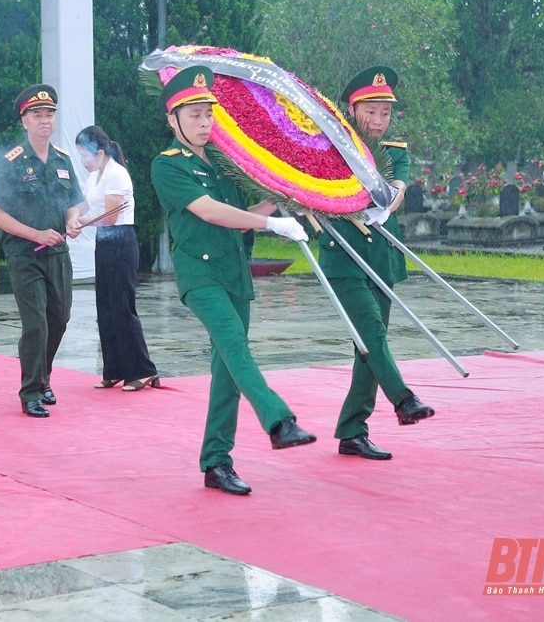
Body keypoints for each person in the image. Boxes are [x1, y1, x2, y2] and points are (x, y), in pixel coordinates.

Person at [149, 66, 316, 496]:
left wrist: (278, 204)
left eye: (209, 114)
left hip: (234, 274)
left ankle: (216, 463)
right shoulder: (167, 167)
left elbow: (241, 222)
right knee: (235, 346)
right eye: (195, 116)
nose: (204, 123)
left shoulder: (223, 166)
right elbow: (210, 213)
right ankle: (279, 421)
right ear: (173, 120)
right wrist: (271, 227)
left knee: (226, 370)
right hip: (200, 276)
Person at [319, 66, 435, 461]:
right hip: (344, 255)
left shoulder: (395, 151)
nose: (379, 120)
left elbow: (399, 187)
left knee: (367, 347)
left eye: (385, 113)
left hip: (381, 257)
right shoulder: (331, 148)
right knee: (372, 336)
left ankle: (353, 430)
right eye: (371, 111)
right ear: (353, 109)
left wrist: (391, 197)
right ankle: (403, 400)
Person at [0, 84, 83, 417]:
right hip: (24, 253)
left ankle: (43, 377)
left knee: (60, 319)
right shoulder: (10, 161)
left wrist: (73, 221)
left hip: (57, 252)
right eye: (37, 115)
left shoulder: (62, 159)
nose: (44, 121)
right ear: (24, 121)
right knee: (36, 324)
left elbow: (75, 203)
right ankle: (30, 391)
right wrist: (34, 233)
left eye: (49, 115)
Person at [73, 125, 159, 392]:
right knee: (105, 307)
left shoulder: (117, 174)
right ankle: (114, 368)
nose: (83, 162)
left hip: (120, 240)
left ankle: (142, 370)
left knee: (122, 306)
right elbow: (84, 206)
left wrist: (81, 223)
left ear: (99, 153)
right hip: (104, 241)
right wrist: (70, 217)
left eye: (85, 156)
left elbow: (109, 218)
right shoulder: (94, 176)